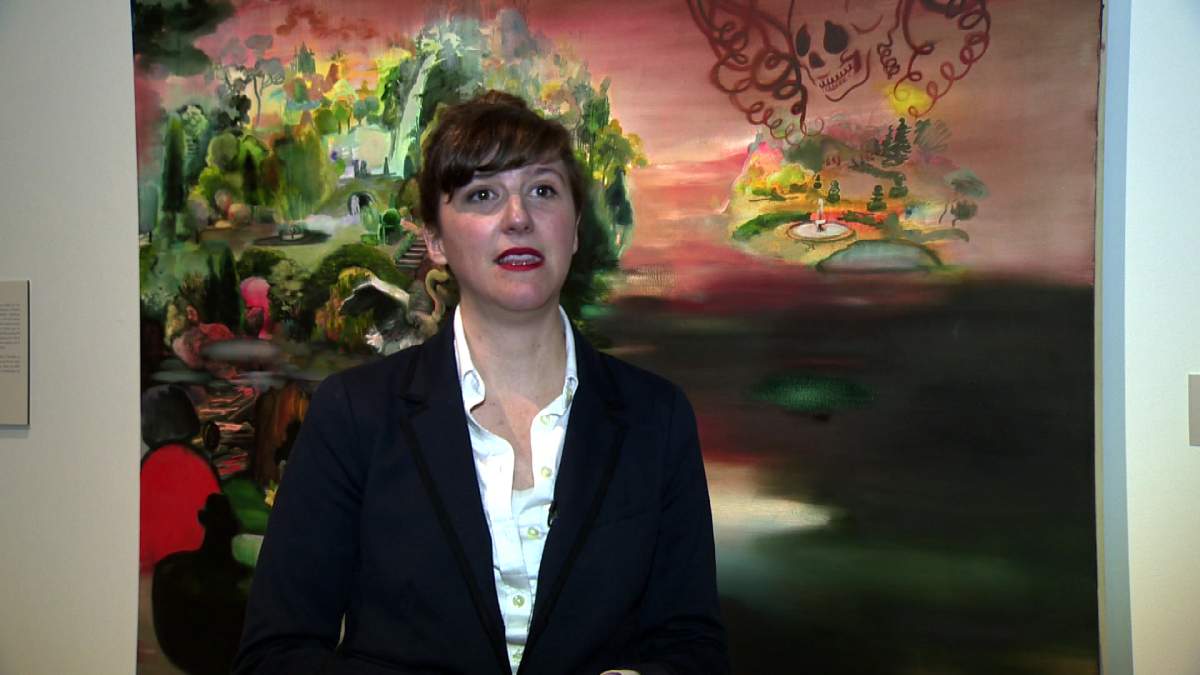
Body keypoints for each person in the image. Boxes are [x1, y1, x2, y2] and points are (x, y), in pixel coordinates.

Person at [234, 91, 728, 675]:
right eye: (482, 195)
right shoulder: (354, 414)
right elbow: (275, 655)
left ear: (574, 229)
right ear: (435, 241)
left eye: (543, 191)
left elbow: (693, 647)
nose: (518, 217)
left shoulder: (655, 416)